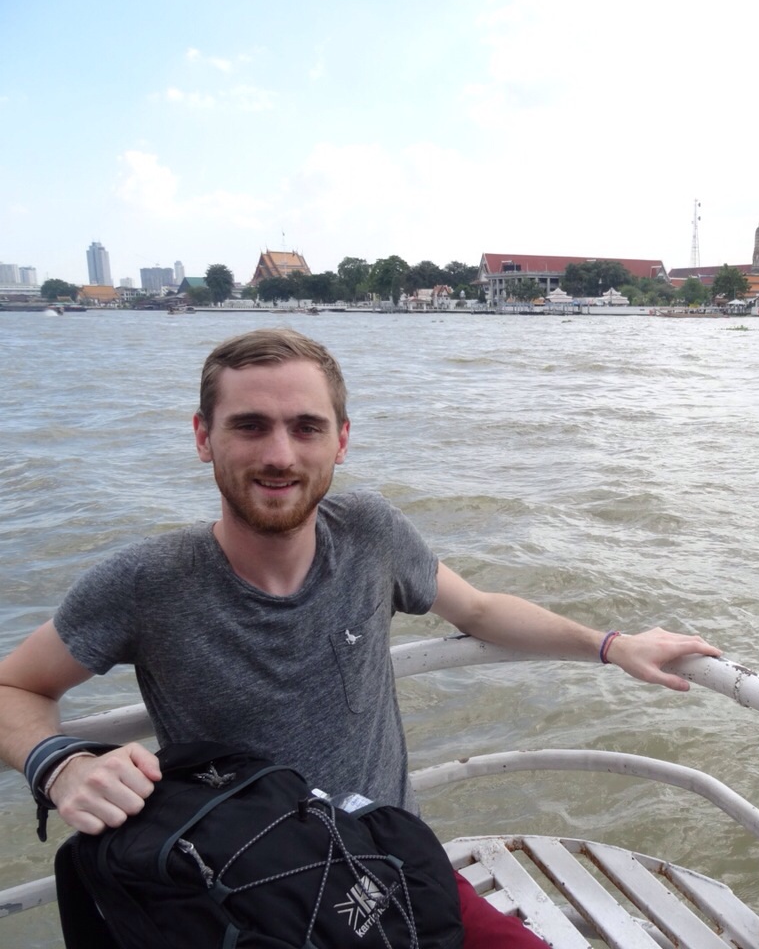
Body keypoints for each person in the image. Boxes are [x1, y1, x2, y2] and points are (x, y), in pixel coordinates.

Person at [0, 327, 722, 948]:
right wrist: (61, 767)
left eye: (306, 427)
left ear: (340, 441)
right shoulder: (148, 582)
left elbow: (477, 610)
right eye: (249, 426)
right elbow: (14, 685)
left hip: (395, 865)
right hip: (249, 900)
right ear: (202, 437)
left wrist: (612, 645)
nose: (280, 454)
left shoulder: (371, 534)